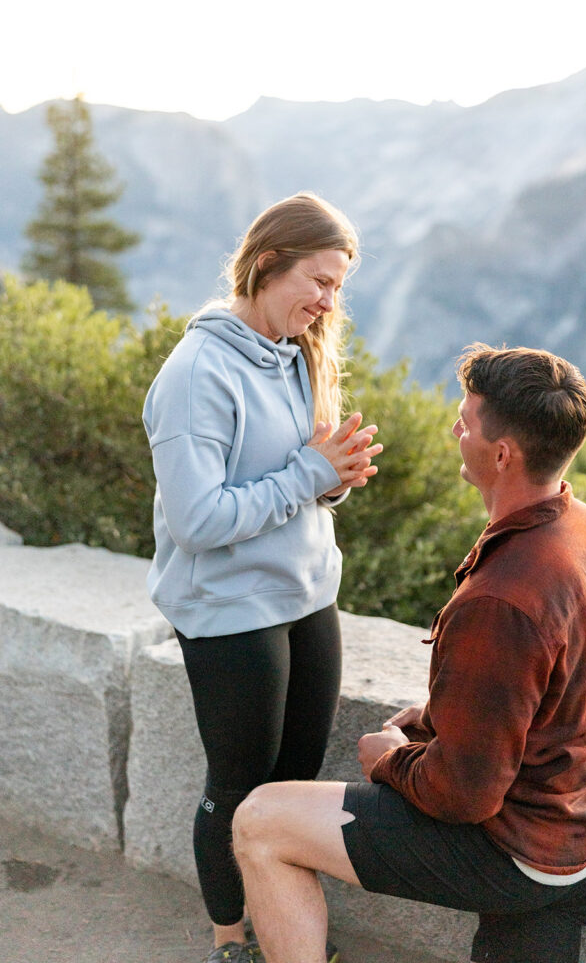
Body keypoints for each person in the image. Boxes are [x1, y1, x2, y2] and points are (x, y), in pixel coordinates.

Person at [231, 344, 586, 963]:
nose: (456, 428)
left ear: (501, 455)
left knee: (261, 819)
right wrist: (439, 718)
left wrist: (390, 760)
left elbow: (464, 796)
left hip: (514, 854)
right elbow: (572, 687)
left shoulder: (500, 601)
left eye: (466, 421)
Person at [142, 193, 382, 963]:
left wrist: (333, 474)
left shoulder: (300, 351)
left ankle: (286, 926)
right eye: (318, 280)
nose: (326, 301)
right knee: (240, 784)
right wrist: (310, 471)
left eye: (338, 286)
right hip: (228, 608)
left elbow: (298, 477)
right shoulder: (195, 374)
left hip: (307, 594)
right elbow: (199, 521)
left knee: (295, 784)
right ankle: (230, 939)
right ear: (266, 263)